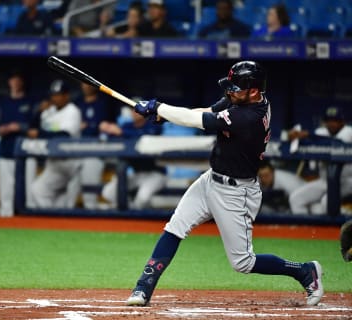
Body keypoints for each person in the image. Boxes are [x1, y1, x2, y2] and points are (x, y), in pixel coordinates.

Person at [126, 61, 323, 307]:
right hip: (211, 179)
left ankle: (304, 270)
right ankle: (143, 288)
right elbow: (205, 112)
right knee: (175, 227)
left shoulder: (250, 116)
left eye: (236, 88)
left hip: (236, 192)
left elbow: (199, 121)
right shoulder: (241, 100)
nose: (230, 92)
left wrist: (160, 107)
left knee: (243, 263)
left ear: (253, 90)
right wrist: (163, 115)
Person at [27, 80, 82, 208]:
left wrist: (40, 134)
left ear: (66, 95)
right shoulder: (48, 111)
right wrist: (39, 112)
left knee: (69, 204)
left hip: (71, 163)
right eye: (53, 95)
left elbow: (65, 135)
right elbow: (31, 129)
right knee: (37, 190)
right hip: (54, 163)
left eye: (58, 94)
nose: (55, 98)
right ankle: (53, 224)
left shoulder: (72, 111)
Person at [289, 106, 352, 215]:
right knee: (295, 199)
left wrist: (308, 135)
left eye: (335, 120)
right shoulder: (321, 132)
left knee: (325, 204)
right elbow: (309, 139)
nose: (331, 123)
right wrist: (293, 136)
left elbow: (335, 142)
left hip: (347, 181)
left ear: (342, 122)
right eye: (329, 120)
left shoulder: (349, 132)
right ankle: (305, 231)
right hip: (324, 181)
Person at [100, 108, 166, 209]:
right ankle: (132, 208)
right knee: (108, 192)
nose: (135, 112)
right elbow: (111, 137)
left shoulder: (153, 125)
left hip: (156, 173)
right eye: (133, 109)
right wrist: (107, 129)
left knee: (142, 199)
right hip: (137, 173)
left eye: (138, 110)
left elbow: (145, 138)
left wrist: (122, 132)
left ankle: (140, 211)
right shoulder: (127, 126)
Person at [0, 70, 36, 217]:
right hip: (6, 149)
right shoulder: (3, 103)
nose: (16, 83)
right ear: (9, 82)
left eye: (18, 80)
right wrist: (4, 129)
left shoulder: (29, 102)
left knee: (29, 188)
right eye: (13, 80)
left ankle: (30, 217)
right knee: (6, 189)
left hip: (26, 151)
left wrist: (19, 127)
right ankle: (6, 216)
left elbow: (34, 127)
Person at [75, 83, 117, 209]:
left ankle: (92, 216)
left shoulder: (104, 104)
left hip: (96, 148)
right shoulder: (77, 103)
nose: (86, 87)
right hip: (76, 148)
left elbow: (106, 127)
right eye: (83, 84)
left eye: (88, 84)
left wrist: (88, 126)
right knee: (72, 186)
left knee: (90, 190)